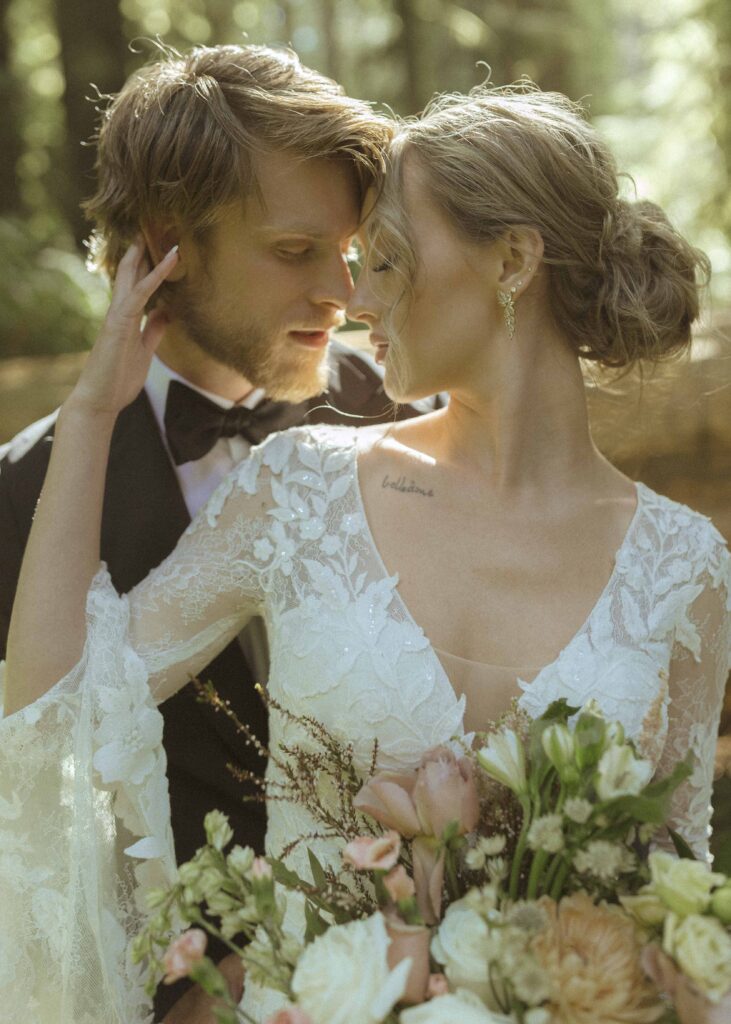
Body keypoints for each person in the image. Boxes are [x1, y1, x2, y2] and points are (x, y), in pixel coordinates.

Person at [2, 83, 729, 1023]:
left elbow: (673, 899)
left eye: (382, 261)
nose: (354, 299)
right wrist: (95, 410)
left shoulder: (684, 569)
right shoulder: (296, 488)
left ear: (510, 260)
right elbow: (54, 714)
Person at [0, 43, 440, 1021]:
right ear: (167, 244)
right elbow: (32, 803)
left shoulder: (417, 425)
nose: (343, 291)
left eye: (351, 248)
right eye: (294, 251)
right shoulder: (25, 493)